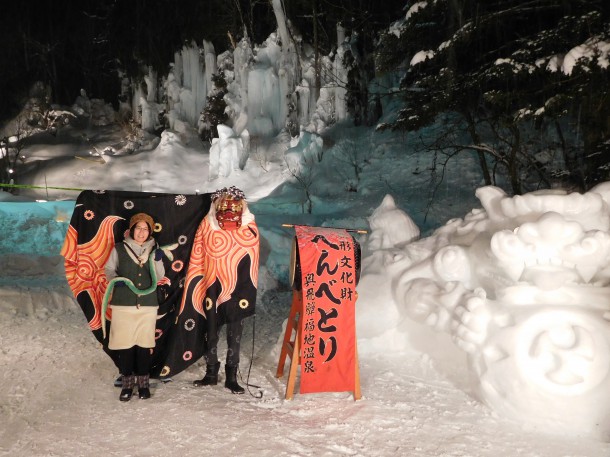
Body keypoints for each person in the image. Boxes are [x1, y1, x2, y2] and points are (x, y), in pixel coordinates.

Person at [192, 186, 259, 394]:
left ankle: (232, 374)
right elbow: (197, 253)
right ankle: (211, 371)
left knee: (235, 332)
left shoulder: (249, 227)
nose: (229, 211)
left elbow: (252, 254)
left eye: (234, 206)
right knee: (210, 331)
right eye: (224, 206)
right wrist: (197, 284)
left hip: (238, 288)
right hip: (212, 285)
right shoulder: (207, 224)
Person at [104, 212, 165, 402]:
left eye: (145, 229)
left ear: (149, 232)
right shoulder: (120, 248)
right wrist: (115, 280)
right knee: (125, 345)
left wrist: (157, 260)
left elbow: (160, 274)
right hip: (124, 304)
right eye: (138, 228)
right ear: (131, 230)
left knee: (144, 345)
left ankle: (143, 384)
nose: (141, 232)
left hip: (147, 305)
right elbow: (108, 269)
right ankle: (127, 385)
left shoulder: (155, 250)